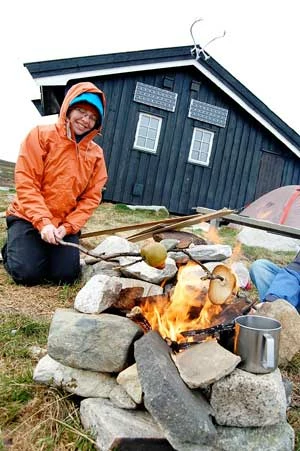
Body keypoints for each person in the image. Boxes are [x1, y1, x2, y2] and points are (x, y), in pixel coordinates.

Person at [1, 81, 108, 286]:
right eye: (81, 111)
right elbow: (27, 183)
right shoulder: (40, 135)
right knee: (28, 274)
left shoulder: (96, 155)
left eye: (93, 117)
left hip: (63, 225)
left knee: (65, 276)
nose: (86, 120)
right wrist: (43, 222)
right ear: (68, 108)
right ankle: (10, 249)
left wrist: (68, 227)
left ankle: (43, 250)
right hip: (27, 217)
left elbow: (91, 198)